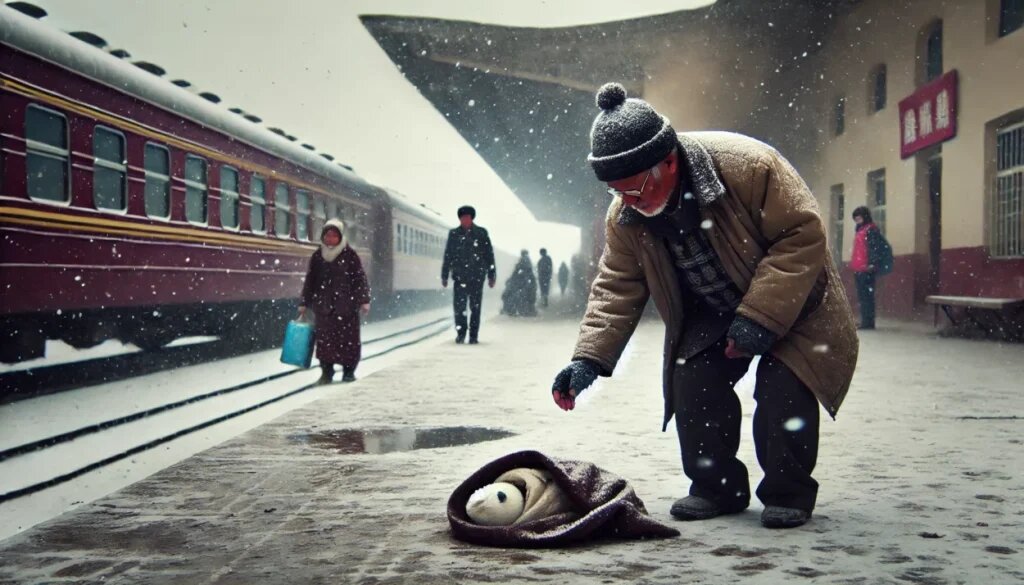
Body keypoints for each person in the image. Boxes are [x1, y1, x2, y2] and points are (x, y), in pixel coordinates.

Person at [549, 83, 859, 529]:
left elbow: (801, 237)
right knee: (691, 378)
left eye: (635, 190)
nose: (628, 203)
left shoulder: (750, 167)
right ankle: (717, 487)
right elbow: (616, 286)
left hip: (794, 303)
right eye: (618, 194)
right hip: (713, 309)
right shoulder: (627, 215)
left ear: (668, 162)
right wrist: (588, 360)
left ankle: (788, 491)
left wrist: (759, 319)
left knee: (782, 386)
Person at [299, 219, 370, 384]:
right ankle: (326, 372)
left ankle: (348, 372)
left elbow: (360, 279)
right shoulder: (318, 256)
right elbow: (310, 281)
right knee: (325, 343)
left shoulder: (350, 255)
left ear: (340, 237)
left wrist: (363, 300)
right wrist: (304, 302)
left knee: (349, 342)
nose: (330, 239)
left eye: (334, 236)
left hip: (347, 307)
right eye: (327, 236)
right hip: (324, 308)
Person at [441, 205, 496, 344]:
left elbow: (489, 255)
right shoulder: (454, 234)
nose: (465, 220)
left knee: (475, 308)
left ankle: (473, 335)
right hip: (460, 277)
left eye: (467, 217)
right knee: (459, 308)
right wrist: (445, 275)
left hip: (477, 278)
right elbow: (448, 255)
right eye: (462, 218)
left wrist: (491, 274)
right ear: (460, 219)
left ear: (471, 218)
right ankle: (461, 333)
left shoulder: (481, 233)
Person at [849, 206, 887, 330]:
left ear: (864, 217)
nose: (857, 220)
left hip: (866, 268)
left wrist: (872, 264)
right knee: (863, 296)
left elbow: (874, 248)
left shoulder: (870, 230)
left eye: (859, 217)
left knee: (867, 297)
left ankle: (868, 322)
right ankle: (866, 320)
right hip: (859, 268)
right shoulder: (860, 230)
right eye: (855, 218)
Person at [501, 250, 538, 316]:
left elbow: (516, 272)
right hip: (524, 282)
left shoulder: (522, 263)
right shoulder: (527, 263)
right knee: (525, 296)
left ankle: (511, 310)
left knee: (513, 295)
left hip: (521, 282)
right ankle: (527, 310)